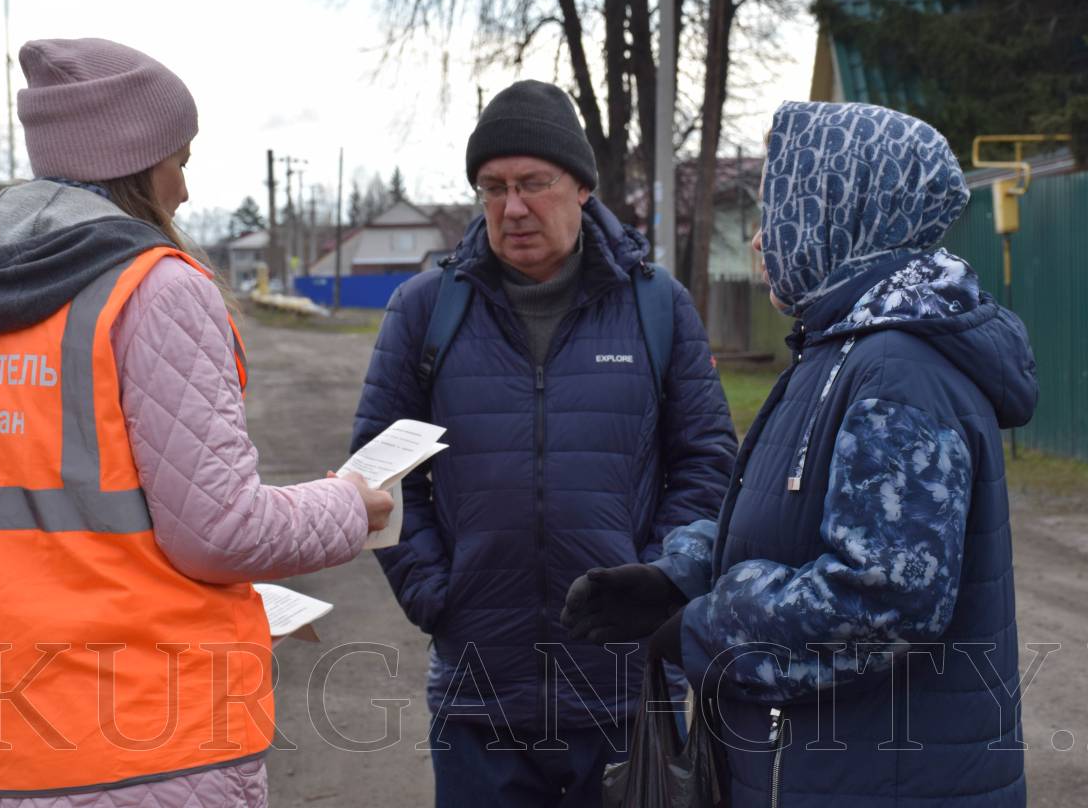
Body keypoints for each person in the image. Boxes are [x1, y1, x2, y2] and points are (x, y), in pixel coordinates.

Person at [0, 38, 394, 807]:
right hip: (153, 751)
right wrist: (348, 506)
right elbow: (221, 532)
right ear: (132, 165)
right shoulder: (154, 290)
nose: (184, 189)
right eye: (177, 161)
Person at [562, 100, 1039, 806]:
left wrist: (709, 628)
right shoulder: (841, 348)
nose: (762, 237)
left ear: (843, 212)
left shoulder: (898, 371)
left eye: (781, 209)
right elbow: (788, 524)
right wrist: (677, 577)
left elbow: (882, 601)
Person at [353, 79, 737, 807]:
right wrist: (436, 593)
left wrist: (656, 582)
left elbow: (708, 465)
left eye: (534, 183)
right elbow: (378, 471)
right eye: (493, 188)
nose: (513, 207)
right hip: (480, 697)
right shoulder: (425, 310)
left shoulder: (656, 306)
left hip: (626, 692)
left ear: (582, 187)